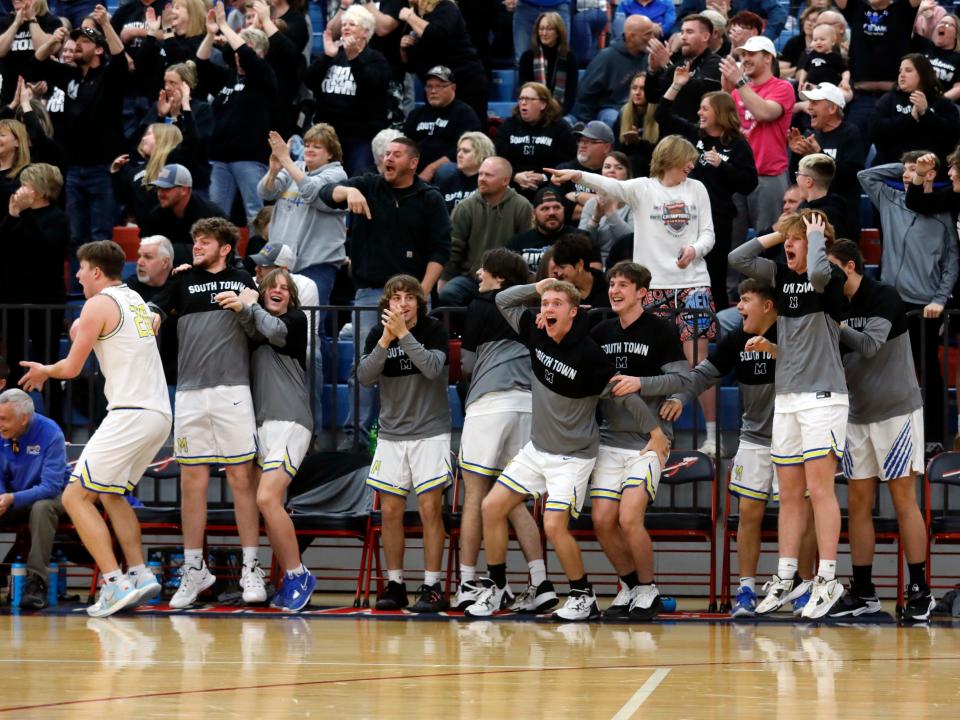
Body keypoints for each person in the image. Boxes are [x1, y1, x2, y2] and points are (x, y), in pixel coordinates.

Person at [466, 278, 668, 621]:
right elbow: (503, 299)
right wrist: (539, 285)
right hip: (537, 449)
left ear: (573, 312)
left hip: (572, 457)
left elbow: (625, 392)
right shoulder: (536, 331)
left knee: (554, 526)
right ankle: (497, 584)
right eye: (545, 303)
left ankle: (582, 594)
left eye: (556, 303)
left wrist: (655, 432)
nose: (547, 309)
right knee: (491, 506)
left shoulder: (589, 354)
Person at [19, 240, 171, 618]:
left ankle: (113, 582)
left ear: (97, 272)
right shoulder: (133, 298)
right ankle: (139, 573)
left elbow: (71, 368)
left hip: (130, 411)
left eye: (82, 269)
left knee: (74, 498)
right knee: (111, 493)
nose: (77, 275)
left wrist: (44, 370)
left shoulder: (98, 303)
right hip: (158, 413)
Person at [547, 135, 720, 456]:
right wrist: (576, 176)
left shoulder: (697, 188)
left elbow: (709, 232)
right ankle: (655, 432)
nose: (692, 165)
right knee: (653, 363)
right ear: (671, 159)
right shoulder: (643, 188)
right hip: (652, 288)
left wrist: (694, 249)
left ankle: (710, 435)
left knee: (699, 361)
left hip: (693, 282)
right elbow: (610, 186)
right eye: (688, 159)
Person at [729, 210, 849, 619]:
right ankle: (785, 576)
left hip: (823, 396)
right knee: (791, 494)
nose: (790, 246)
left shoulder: (827, 277)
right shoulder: (781, 277)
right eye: (789, 240)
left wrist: (816, 237)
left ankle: (827, 578)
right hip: (788, 398)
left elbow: (816, 275)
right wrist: (777, 234)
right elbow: (738, 259)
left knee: (820, 490)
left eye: (797, 239)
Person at [147, 217, 263, 609]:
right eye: (195, 240)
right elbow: (156, 309)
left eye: (205, 241)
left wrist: (245, 308)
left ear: (225, 247)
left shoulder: (242, 280)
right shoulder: (182, 280)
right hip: (190, 392)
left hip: (232, 389)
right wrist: (152, 317)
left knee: (240, 478)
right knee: (191, 481)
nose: (197, 246)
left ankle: (251, 568)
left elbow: (258, 329)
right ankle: (194, 569)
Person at [825, 240, 934, 621]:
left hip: (896, 411)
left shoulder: (883, 295)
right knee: (857, 503)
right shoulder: (833, 303)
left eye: (832, 268)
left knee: (904, 498)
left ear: (851, 266)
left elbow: (869, 345)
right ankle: (864, 591)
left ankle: (921, 590)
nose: (827, 276)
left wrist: (832, 324)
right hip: (856, 414)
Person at [318, 137, 451, 442]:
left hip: (412, 297)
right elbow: (327, 193)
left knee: (415, 364)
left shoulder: (429, 198)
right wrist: (348, 190)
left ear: (413, 162)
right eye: (385, 153)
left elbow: (441, 250)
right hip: (370, 293)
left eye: (396, 154)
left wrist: (421, 295)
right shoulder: (368, 185)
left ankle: (419, 434)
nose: (387, 158)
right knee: (363, 366)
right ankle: (357, 439)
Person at [453, 248, 557, 614]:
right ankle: (540, 581)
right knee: (512, 500)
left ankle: (468, 582)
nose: (479, 273)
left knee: (476, 494)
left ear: (498, 277)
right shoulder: (529, 313)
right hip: (528, 405)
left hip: (489, 403)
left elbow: (465, 365)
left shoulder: (481, 305)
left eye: (485, 270)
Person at [588, 261, 686, 619]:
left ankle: (648, 588)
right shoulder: (600, 332)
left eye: (623, 285)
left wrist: (640, 382)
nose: (614, 290)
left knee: (630, 518)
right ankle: (629, 586)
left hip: (650, 441)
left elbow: (680, 379)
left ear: (641, 293)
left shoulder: (660, 331)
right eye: (612, 284)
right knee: (601, 520)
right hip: (609, 438)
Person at [219, 268, 318, 612]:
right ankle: (289, 576)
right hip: (262, 425)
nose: (278, 291)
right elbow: (250, 325)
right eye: (271, 287)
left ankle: (298, 573)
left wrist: (251, 303)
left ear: (291, 297)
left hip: (291, 420)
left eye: (284, 288)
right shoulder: (257, 321)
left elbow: (272, 330)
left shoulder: (295, 321)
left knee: (266, 497)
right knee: (267, 504)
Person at [357, 275, 452, 613]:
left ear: (418, 301)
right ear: (388, 303)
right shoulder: (376, 334)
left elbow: (432, 367)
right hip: (392, 435)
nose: (403, 302)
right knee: (391, 511)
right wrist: (385, 340)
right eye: (396, 297)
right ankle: (395, 583)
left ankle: (432, 585)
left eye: (410, 296)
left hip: (430, 431)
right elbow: (364, 377)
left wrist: (404, 336)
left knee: (429, 509)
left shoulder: (433, 329)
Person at [859, 152, 958, 452]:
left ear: (932, 175)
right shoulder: (890, 199)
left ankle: (933, 438)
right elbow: (865, 177)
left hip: (924, 306)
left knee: (928, 371)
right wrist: (904, 168)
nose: (906, 174)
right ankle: (884, 435)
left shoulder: (944, 214)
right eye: (905, 169)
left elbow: (953, 263)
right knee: (883, 367)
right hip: (890, 301)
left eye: (915, 170)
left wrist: (940, 299)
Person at [656, 77, 758, 307]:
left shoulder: (738, 144)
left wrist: (723, 167)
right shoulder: (694, 134)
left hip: (717, 218)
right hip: (683, 215)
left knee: (713, 273)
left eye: (705, 109)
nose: (699, 113)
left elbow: (749, 183)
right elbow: (661, 115)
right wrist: (676, 85)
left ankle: (716, 326)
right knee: (680, 268)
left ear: (719, 113)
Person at [33, 6, 129, 249]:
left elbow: (119, 57)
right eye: (75, 40)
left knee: (100, 236)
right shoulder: (69, 76)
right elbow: (39, 60)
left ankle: (104, 287)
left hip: (102, 169)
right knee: (75, 236)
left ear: (98, 49)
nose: (76, 45)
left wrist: (106, 24)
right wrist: (54, 40)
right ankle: (78, 288)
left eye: (84, 41)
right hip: (74, 169)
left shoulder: (109, 77)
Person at [198, 2, 278, 229]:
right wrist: (211, 35)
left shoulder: (264, 76)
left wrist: (225, 25)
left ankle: (258, 262)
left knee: (255, 213)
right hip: (221, 157)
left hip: (250, 157)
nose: (238, 55)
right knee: (216, 215)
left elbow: (247, 55)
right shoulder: (227, 77)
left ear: (260, 53)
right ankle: (220, 261)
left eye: (246, 49)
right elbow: (201, 65)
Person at [720, 35, 795, 259]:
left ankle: (766, 292)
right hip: (737, 175)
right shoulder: (737, 91)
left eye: (751, 54)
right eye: (743, 55)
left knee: (768, 244)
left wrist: (739, 83)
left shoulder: (783, 88)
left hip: (769, 175)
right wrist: (725, 91)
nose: (745, 59)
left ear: (768, 58)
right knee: (732, 244)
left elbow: (764, 112)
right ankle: (733, 292)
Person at [258, 123, 348, 309]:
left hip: (317, 263)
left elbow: (311, 192)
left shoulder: (337, 174)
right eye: (307, 145)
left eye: (317, 146)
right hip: (282, 262)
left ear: (330, 153)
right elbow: (266, 193)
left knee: (312, 321)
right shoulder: (296, 166)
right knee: (282, 318)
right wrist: (274, 171)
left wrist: (286, 160)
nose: (310, 150)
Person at [0, 162, 69, 397]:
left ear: (38, 191)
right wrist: (11, 216)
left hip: (45, 302)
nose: (18, 189)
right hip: (13, 301)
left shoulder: (58, 218)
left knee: (47, 363)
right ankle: (12, 421)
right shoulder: (16, 216)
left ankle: (57, 424)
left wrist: (26, 213)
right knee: (14, 364)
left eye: (24, 185)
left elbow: (46, 248)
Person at [0, 389, 66, 610]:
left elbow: (51, 486)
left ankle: (36, 582)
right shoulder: (3, 433)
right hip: (13, 497)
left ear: (24, 418)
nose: (0, 424)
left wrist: (11, 498)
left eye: (4, 419)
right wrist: (2, 497)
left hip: (51, 497)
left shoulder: (51, 433)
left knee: (42, 508)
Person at [306, 4, 390, 177]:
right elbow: (309, 82)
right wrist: (326, 57)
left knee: (356, 183)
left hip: (359, 136)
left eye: (352, 24)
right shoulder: (334, 53)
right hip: (328, 136)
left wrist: (354, 60)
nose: (345, 27)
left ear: (366, 32)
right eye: (344, 24)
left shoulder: (376, 59)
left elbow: (372, 88)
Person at [439, 156, 532, 307]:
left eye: (488, 175)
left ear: (505, 180)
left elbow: (526, 248)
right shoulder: (465, 207)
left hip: (507, 281)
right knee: (449, 294)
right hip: (472, 279)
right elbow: (454, 248)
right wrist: (444, 279)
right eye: (480, 174)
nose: (481, 179)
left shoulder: (522, 206)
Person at [838, 0, 921, 147]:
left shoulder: (901, 9)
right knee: (852, 150)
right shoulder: (857, 8)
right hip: (861, 98)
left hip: (896, 98)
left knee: (896, 154)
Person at [791, 82, 865, 237]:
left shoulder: (850, 133)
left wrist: (820, 155)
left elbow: (852, 176)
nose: (809, 107)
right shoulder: (811, 136)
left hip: (842, 219)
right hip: (812, 216)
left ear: (832, 108)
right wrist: (797, 154)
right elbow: (797, 178)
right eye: (809, 102)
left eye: (815, 103)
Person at [398, 0, 489, 121]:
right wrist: (404, 49)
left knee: (469, 133)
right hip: (435, 88)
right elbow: (410, 66)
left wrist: (410, 17)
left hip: (464, 83)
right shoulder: (414, 16)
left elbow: (435, 35)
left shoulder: (446, 7)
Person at [869, 53, 960, 169]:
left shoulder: (943, 103)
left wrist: (925, 114)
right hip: (892, 167)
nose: (902, 75)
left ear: (923, 74)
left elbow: (951, 137)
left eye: (908, 70)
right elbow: (875, 131)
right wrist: (910, 119)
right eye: (900, 71)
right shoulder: (889, 99)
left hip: (930, 170)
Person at [493, 81, 576, 201]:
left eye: (528, 99)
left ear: (543, 104)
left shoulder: (560, 127)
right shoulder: (508, 126)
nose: (523, 103)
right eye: (521, 98)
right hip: (512, 184)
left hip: (549, 185)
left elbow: (569, 161)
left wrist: (544, 177)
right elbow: (497, 159)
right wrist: (514, 176)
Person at [569, 15, 655, 128]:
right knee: (614, 118)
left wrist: (664, 63)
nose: (652, 38)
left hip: (643, 108)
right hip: (612, 109)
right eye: (648, 34)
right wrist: (587, 128)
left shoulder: (651, 56)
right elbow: (586, 95)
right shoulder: (606, 58)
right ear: (631, 36)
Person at [402, 66, 481, 184]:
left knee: (446, 171)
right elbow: (406, 144)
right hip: (415, 167)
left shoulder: (464, 113)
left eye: (439, 86)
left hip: (446, 169)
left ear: (453, 88)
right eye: (429, 86)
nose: (433, 91)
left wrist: (431, 169)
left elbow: (462, 151)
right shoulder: (416, 114)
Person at [140, 163, 227, 265]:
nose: (160, 193)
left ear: (184, 190)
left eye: (166, 188)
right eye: (158, 188)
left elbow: (221, 255)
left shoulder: (211, 216)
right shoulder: (155, 215)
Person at [644, 14, 722, 125]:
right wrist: (653, 70)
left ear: (705, 37)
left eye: (689, 32)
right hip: (669, 133)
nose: (683, 37)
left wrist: (667, 65)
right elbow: (653, 97)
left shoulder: (715, 63)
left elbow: (696, 93)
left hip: (695, 131)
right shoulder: (678, 63)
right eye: (682, 32)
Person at [126, 235, 179, 390]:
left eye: (147, 257)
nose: (140, 262)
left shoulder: (180, 283)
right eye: (140, 256)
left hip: (176, 369)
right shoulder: (129, 286)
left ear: (165, 262)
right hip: (139, 371)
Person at [110, 123, 185, 227]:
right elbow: (123, 198)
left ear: (163, 139)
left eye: (149, 134)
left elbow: (192, 141)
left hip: (172, 232)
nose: (143, 138)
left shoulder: (176, 166)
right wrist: (115, 173)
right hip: (145, 233)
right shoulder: (134, 171)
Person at [507, 185, 593, 274]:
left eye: (556, 207)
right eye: (545, 208)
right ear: (533, 213)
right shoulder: (517, 243)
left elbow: (594, 273)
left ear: (563, 210)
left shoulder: (582, 239)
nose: (552, 213)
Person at [0, 0, 62, 105]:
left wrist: (32, 20)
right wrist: (15, 24)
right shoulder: (4, 22)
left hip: (41, 96)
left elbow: (43, 49)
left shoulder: (51, 21)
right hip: (9, 94)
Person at [579, 151, 635, 264]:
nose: (611, 170)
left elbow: (631, 242)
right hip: (595, 265)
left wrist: (610, 212)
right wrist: (595, 219)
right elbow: (581, 244)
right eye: (607, 167)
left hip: (625, 264)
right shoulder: (591, 204)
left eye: (618, 167)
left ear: (627, 174)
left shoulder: (633, 203)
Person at [518, 11, 579, 114]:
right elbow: (523, 91)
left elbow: (570, 96)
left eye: (549, 29)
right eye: (541, 29)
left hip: (559, 113)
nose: (544, 33)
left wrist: (556, 114)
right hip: (532, 112)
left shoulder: (570, 58)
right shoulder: (528, 57)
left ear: (558, 32)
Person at [795, 153, 851, 239]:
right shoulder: (804, 206)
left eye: (798, 174)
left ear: (808, 181)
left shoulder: (823, 216)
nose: (796, 178)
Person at [436, 131, 495, 213]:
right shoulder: (447, 180)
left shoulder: (494, 183)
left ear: (483, 154)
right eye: (459, 150)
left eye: (466, 151)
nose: (459, 155)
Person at [613, 71, 657, 179]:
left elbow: (661, 155)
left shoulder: (660, 115)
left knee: (636, 160)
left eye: (642, 88)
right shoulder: (623, 113)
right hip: (628, 169)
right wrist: (628, 143)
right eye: (634, 88)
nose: (637, 92)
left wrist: (639, 143)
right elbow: (617, 151)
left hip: (653, 169)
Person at [550, 232, 610, 310]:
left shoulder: (609, 286)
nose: (559, 273)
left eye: (562, 267)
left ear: (580, 265)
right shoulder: (559, 291)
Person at [794, 22, 849, 95]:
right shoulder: (812, 54)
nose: (818, 42)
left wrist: (845, 80)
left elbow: (845, 71)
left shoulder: (835, 57)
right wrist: (801, 81)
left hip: (828, 88)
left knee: (827, 91)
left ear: (832, 42)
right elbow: (805, 70)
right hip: (811, 86)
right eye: (815, 40)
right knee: (796, 87)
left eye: (822, 39)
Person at [917, 13, 960, 101]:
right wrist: (920, 10)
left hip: (942, 104)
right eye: (940, 22)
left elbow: (958, 89)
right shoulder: (923, 45)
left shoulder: (958, 58)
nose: (943, 25)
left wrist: (938, 102)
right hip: (914, 98)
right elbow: (903, 26)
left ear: (956, 34)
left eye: (948, 24)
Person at [779, 5, 821, 79]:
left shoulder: (827, 44)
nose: (809, 24)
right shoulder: (793, 42)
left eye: (814, 21)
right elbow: (780, 72)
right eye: (807, 19)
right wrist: (800, 69)